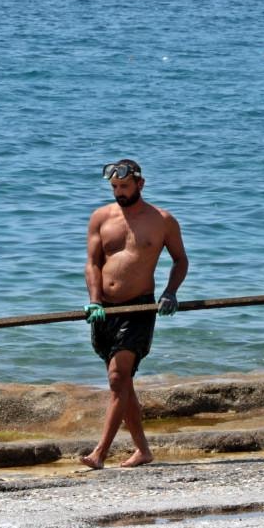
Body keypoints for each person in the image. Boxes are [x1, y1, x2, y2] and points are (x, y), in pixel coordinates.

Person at [81, 158, 188, 469]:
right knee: (123, 384)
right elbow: (93, 263)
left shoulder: (163, 220)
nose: (119, 192)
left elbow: (180, 260)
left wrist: (171, 292)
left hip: (139, 308)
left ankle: (99, 454)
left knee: (117, 377)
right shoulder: (101, 217)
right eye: (114, 187)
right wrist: (94, 301)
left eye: (124, 186)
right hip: (104, 310)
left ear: (140, 184)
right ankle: (143, 450)